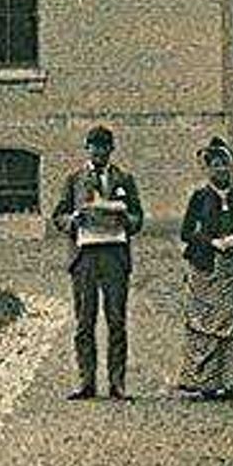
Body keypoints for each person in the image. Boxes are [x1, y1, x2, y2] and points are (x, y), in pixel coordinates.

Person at [50, 125, 145, 398]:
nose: (99, 151)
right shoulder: (74, 179)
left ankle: (117, 383)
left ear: (111, 149)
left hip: (115, 255)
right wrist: (73, 221)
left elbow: (138, 218)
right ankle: (86, 382)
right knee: (84, 322)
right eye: (94, 146)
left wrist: (125, 217)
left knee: (116, 320)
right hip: (85, 257)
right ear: (87, 148)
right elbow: (59, 216)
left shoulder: (124, 179)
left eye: (104, 146)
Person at [176, 138, 233, 398]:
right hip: (207, 268)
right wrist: (212, 242)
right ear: (207, 169)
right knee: (208, 324)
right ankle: (207, 381)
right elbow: (186, 232)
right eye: (215, 165)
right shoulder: (199, 198)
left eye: (225, 165)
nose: (221, 170)